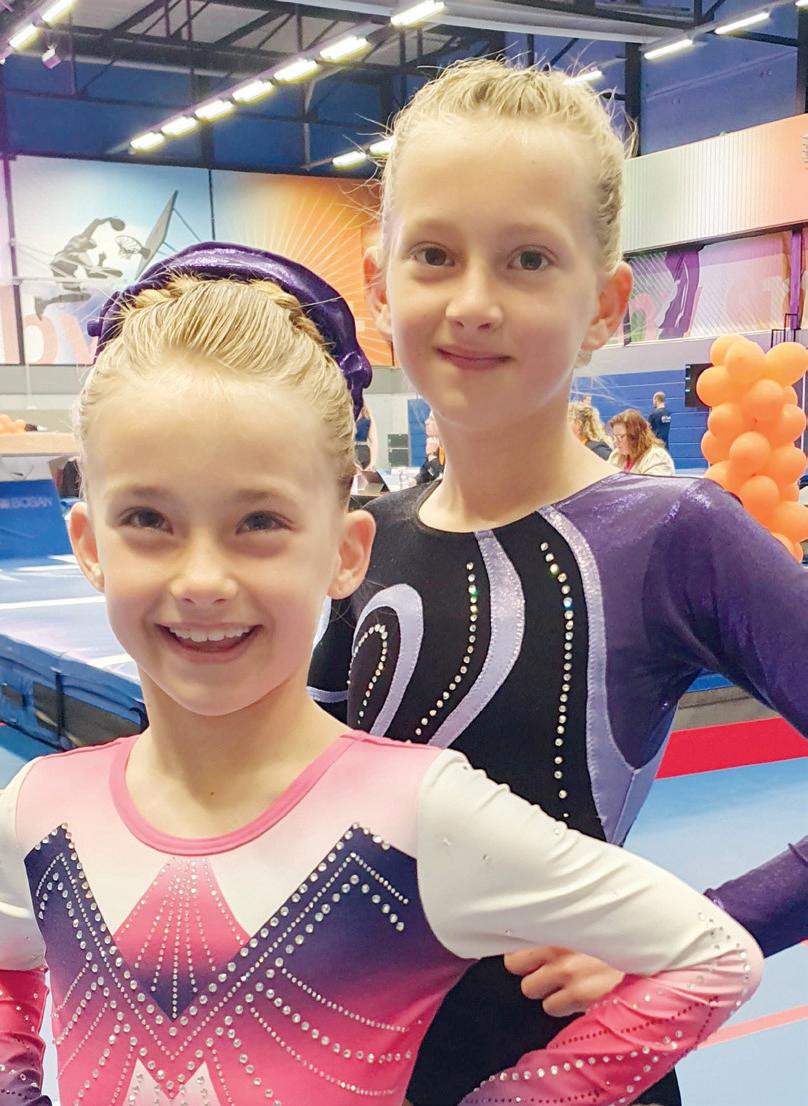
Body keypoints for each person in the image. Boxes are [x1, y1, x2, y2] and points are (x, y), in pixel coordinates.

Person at [0, 242, 762, 1106]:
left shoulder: (414, 814)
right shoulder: (40, 812)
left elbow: (709, 958)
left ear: (346, 551)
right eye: (148, 519)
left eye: (259, 522)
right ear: (89, 545)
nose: (202, 579)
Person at [308, 58, 808, 1106]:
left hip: (575, 1070)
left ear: (605, 305)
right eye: (434, 254)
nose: (473, 302)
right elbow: (295, 800)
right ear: (379, 282)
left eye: (528, 259)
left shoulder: (673, 532)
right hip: (361, 1066)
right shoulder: (367, 539)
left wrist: (697, 925)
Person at [609, 408, 675, 476]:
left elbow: (653, 482)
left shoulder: (657, 457)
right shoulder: (616, 456)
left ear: (635, 436)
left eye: (621, 437)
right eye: (614, 437)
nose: (615, 442)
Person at [354, 399, 378, 469]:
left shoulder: (368, 418)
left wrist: (372, 463)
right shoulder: (368, 417)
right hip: (353, 452)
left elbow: (374, 441)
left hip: (362, 453)